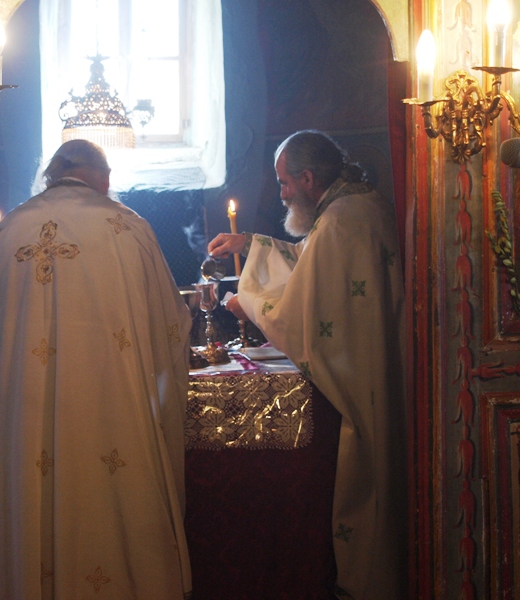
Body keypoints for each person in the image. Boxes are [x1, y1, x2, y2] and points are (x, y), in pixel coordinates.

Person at [0, 139, 193, 599]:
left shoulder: (9, 230)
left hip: (24, 419)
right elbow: (171, 328)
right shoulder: (125, 225)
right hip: (109, 410)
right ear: (103, 178)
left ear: (52, 174)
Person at [208, 130, 407, 599]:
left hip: (361, 375)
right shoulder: (359, 204)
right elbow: (309, 262)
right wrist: (248, 243)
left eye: (284, 183)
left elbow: (299, 315)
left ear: (308, 178)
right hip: (377, 364)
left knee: (368, 475)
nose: (281, 194)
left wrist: (247, 303)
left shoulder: (339, 220)